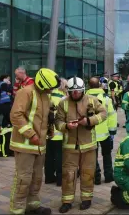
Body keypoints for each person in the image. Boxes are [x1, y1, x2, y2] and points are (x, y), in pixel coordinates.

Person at [9, 68, 59, 215]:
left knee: (37, 178)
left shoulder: (45, 95)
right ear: (43, 84)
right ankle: (17, 210)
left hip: (40, 145)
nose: (52, 90)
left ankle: (33, 206)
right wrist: (31, 135)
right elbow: (16, 115)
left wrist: (50, 128)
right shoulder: (25, 92)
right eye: (50, 87)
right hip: (25, 145)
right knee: (23, 179)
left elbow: (44, 116)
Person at [55, 77, 107, 213]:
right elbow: (58, 122)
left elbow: (103, 113)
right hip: (70, 146)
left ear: (83, 90)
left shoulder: (91, 100)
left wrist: (89, 121)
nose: (75, 94)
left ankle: (86, 199)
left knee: (88, 173)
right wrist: (66, 126)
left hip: (88, 145)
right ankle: (67, 201)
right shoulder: (63, 103)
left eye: (78, 92)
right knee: (68, 175)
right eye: (73, 92)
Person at [86, 77, 117, 185]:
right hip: (104, 133)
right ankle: (108, 176)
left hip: (90, 132)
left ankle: (96, 177)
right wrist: (112, 131)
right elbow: (112, 115)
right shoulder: (106, 98)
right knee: (107, 155)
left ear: (88, 85)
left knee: (92, 157)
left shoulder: (84, 98)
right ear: (99, 85)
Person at [45, 78, 68, 187]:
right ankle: (60, 179)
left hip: (48, 132)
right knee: (60, 157)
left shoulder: (48, 95)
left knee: (49, 156)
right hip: (59, 132)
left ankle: (48, 177)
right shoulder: (64, 98)